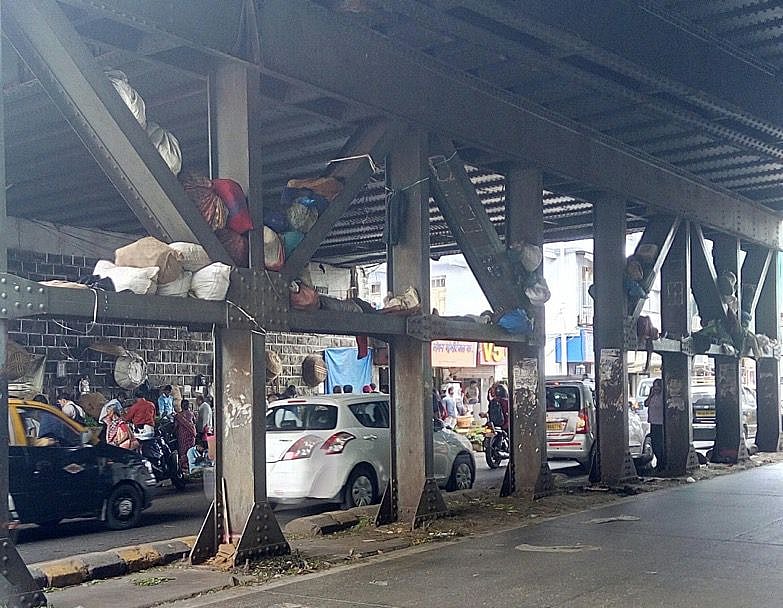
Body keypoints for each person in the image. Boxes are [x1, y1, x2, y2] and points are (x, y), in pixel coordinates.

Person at [645, 378, 665, 471]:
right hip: (653, 422)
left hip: (660, 423)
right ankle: (658, 462)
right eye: (654, 386)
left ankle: (661, 463)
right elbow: (646, 403)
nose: (656, 388)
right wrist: (651, 395)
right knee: (654, 443)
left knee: (659, 444)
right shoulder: (652, 396)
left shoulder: (663, 396)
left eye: (658, 386)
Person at [174, 400, 197, 475]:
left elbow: (175, 427)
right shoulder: (191, 414)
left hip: (182, 437)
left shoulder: (178, 416)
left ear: (181, 406)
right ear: (188, 406)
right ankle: (191, 467)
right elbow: (194, 423)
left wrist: (173, 432)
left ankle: (184, 468)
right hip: (191, 436)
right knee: (190, 451)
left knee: (183, 451)